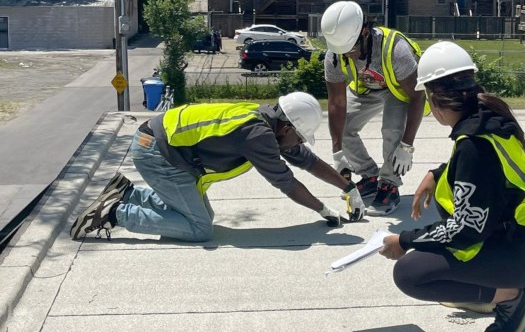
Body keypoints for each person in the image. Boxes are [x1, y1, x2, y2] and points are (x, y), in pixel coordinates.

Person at [379, 42, 525, 332]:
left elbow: (466, 230)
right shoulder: (490, 120)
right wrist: (436, 174)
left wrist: (405, 240)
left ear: (435, 101)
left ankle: (508, 295)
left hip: (524, 254)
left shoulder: (473, 145)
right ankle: (489, 290)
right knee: (430, 248)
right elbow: (483, 173)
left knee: (409, 273)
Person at [70, 92, 365, 242]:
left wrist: (349, 188)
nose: (298, 143)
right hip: (158, 154)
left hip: (161, 146)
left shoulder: (266, 121)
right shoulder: (258, 135)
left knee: (199, 215)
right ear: (287, 127)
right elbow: (287, 183)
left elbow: (308, 161)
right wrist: (322, 210)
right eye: (299, 136)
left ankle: (128, 193)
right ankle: (114, 213)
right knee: (199, 228)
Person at [321, 1, 426, 216]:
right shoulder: (334, 56)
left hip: (399, 90)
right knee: (344, 127)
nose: (347, 54)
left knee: (391, 130)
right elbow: (336, 103)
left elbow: (417, 95)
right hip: (366, 88)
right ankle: (369, 177)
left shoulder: (396, 50)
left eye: (351, 48)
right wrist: (337, 151)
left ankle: (389, 184)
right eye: (341, 50)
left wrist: (407, 146)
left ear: (365, 32)